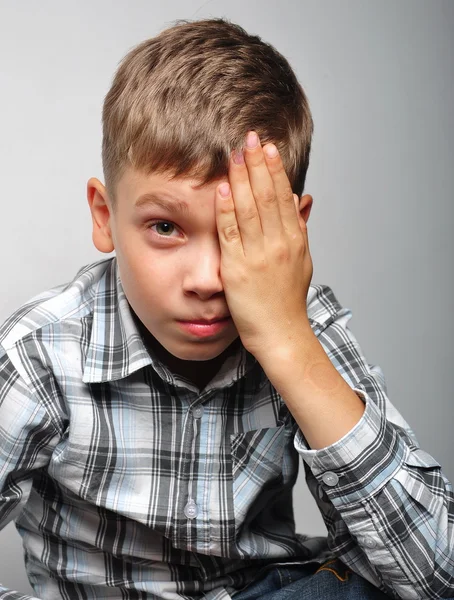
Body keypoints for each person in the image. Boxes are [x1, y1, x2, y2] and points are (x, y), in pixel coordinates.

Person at [0, 17, 452, 600]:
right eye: (165, 227)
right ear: (105, 216)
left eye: (241, 234)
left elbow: (437, 577)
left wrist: (288, 342)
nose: (209, 279)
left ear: (292, 231)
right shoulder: (40, 354)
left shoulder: (299, 327)